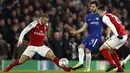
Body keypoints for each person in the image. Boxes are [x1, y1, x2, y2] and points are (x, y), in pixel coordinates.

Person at [4, 13, 72, 72]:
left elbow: (43, 31)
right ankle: (9, 67)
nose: (46, 23)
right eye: (45, 21)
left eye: (47, 21)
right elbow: (24, 31)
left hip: (41, 46)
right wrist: (20, 40)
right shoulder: (34, 24)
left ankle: (65, 69)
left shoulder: (46, 25)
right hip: (32, 47)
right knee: (21, 61)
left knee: (52, 56)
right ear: (41, 19)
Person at [70, 1, 104, 72]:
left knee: (87, 50)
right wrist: (76, 32)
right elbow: (84, 27)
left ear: (97, 7)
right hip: (90, 35)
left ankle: (88, 68)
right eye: (91, 7)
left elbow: (108, 22)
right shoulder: (88, 16)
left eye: (93, 6)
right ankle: (80, 63)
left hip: (96, 36)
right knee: (80, 47)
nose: (91, 8)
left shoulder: (100, 15)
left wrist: (108, 34)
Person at [97, 5, 128, 72]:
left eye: (98, 12)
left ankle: (112, 64)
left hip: (119, 36)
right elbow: (116, 25)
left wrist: (117, 35)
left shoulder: (104, 18)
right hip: (124, 35)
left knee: (102, 49)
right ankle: (120, 68)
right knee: (111, 51)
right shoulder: (110, 15)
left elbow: (112, 26)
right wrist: (108, 34)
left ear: (100, 11)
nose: (98, 13)